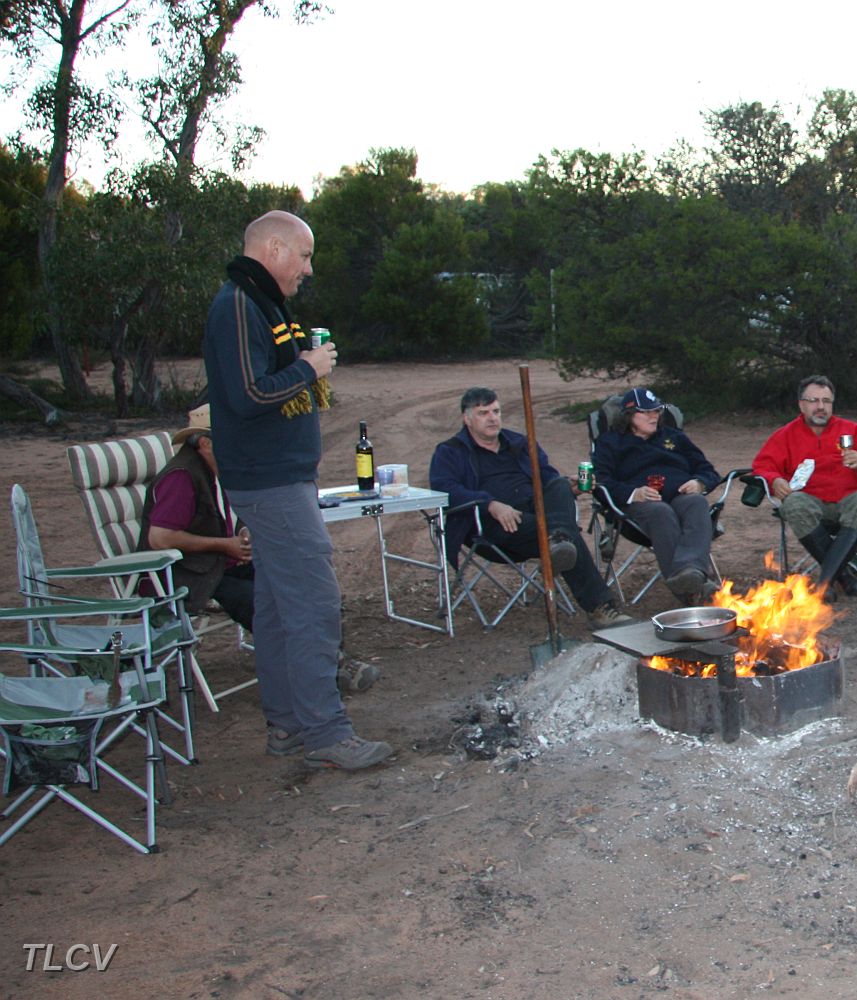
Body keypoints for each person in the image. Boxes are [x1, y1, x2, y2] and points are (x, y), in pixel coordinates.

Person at [202, 209, 391, 770]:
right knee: (314, 601)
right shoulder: (236, 305)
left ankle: (286, 725)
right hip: (269, 482)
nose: (308, 269)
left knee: (281, 606)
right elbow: (247, 396)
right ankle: (326, 733)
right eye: (304, 256)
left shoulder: (261, 301)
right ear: (276, 249)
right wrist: (308, 368)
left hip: (282, 478)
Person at [138, 405, 379, 693]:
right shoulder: (181, 477)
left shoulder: (221, 469)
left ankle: (329, 662)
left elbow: (231, 516)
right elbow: (160, 538)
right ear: (205, 443)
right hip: (192, 572)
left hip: (223, 562)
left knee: (304, 579)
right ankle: (318, 672)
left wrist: (241, 531)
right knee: (262, 600)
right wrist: (222, 544)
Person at [431, 387, 631, 629]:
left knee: (558, 487)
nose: (493, 418)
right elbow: (445, 488)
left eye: (496, 411)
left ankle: (558, 540)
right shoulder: (451, 451)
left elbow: (547, 477)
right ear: (467, 418)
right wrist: (490, 504)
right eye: (484, 413)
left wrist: (571, 486)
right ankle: (600, 607)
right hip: (493, 527)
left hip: (535, 517)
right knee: (564, 534)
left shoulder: (519, 443)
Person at [751, 375, 857, 594]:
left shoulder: (853, 431)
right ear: (801, 404)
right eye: (814, 401)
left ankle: (824, 583)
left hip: (849, 500)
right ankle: (843, 577)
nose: (820, 407)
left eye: (826, 401)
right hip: (809, 500)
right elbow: (762, 465)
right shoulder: (785, 435)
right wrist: (774, 479)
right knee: (793, 502)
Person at [591, 387, 723, 605]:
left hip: (681, 496)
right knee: (661, 511)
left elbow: (708, 470)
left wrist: (699, 482)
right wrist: (634, 493)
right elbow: (601, 482)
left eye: (657, 411)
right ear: (629, 415)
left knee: (697, 503)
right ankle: (694, 586)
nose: (655, 416)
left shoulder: (674, 437)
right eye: (647, 412)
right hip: (639, 507)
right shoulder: (610, 443)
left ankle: (689, 574)